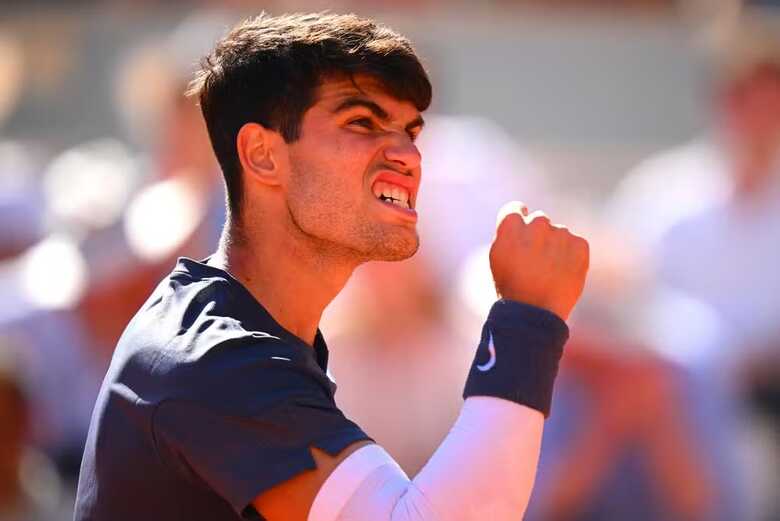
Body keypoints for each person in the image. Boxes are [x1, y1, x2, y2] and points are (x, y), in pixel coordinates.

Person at [73, 12, 589, 521]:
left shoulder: (242, 333)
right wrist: (526, 323)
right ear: (262, 155)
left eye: (411, 130)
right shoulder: (215, 355)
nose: (408, 155)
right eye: (362, 123)